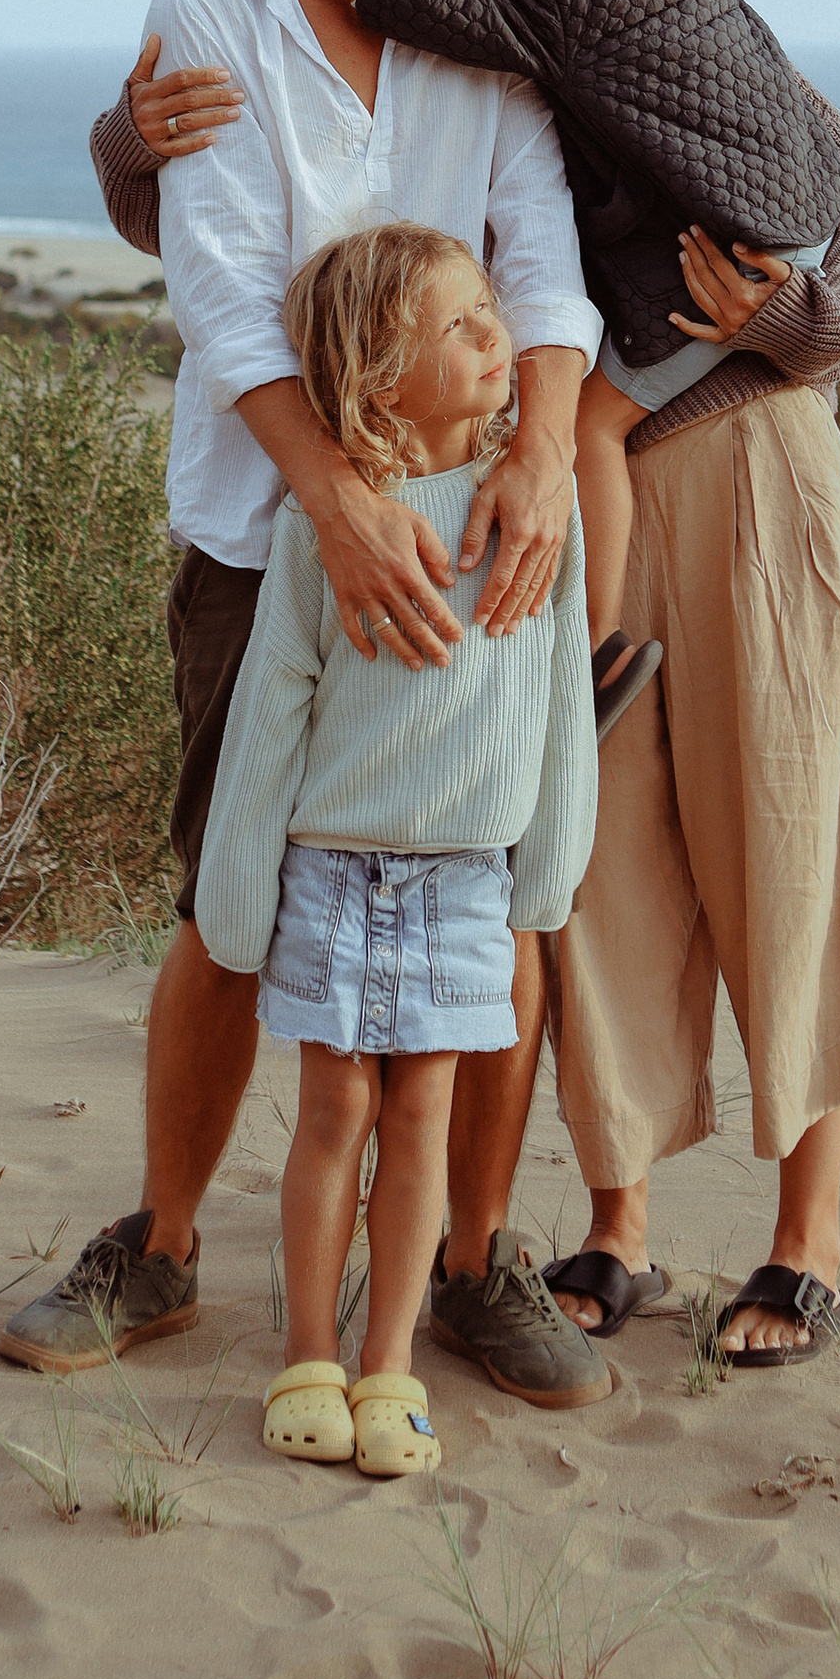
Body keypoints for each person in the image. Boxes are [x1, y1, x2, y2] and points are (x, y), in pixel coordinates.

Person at [94, 0, 840, 1368]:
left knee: (778, 832)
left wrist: (796, 320)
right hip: (449, 496)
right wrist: (128, 144)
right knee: (562, 874)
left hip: (673, 459)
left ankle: (788, 1239)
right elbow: (195, 199)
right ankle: (591, 1225)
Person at [0, 0, 612, 1417]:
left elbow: (545, 248)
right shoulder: (208, 19)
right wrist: (336, 502)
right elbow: (229, 289)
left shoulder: (488, 14)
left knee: (500, 896)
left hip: (494, 526)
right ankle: (166, 1247)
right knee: (228, 896)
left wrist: (545, 446)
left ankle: (469, 1265)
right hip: (264, 540)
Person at [259, 0, 840, 725]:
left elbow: (434, 9)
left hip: (741, 270)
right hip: (779, 234)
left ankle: (585, 659)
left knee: (589, 428)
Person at [196, 226, 596, 1478]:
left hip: (468, 882)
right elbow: (271, 711)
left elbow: (558, 709)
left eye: (496, 315)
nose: (499, 343)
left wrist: (548, 876)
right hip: (331, 869)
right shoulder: (329, 533)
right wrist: (237, 894)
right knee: (333, 1115)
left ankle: (391, 1369)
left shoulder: (535, 514)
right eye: (465, 328)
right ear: (377, 378)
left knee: (423, 1117)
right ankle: (308, 1359)